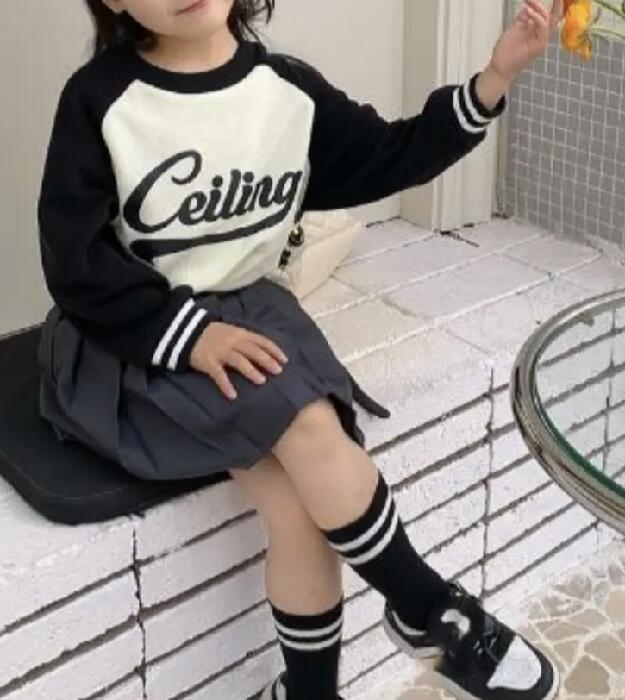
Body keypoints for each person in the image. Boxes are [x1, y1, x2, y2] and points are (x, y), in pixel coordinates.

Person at [37, 1, 564, 698]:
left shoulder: (284, 89)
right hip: (136, 337)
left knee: (296, 512)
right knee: (311, 425)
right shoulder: (100, 99)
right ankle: (429, 608)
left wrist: (495, 77)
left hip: (248, 318)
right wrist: (189, 335)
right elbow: (74, 258)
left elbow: (389, 154)